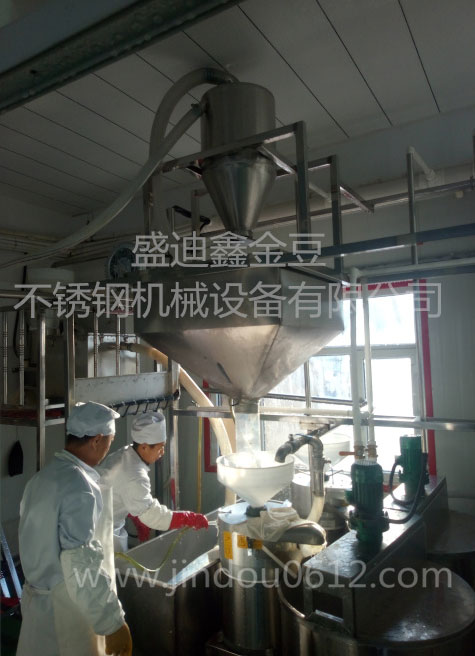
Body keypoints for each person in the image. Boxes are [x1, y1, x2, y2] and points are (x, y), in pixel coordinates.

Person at [17, 401, 133, 656]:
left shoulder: (41, 479)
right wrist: (112, 622)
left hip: (38, 606)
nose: (108, 448)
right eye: (110, 441)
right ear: (97, 440)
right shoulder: (79, 486)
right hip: (66, 613)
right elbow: (80, 563)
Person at [99, 411, 208, 552]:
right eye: (160, 447)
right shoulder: (134, 475)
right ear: (144, 446)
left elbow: (118, 490)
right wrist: (187, 518)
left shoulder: (125, 453)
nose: (162, 452)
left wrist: (134, 512)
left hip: (106, 522)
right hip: (102, 533)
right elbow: (153, 515)